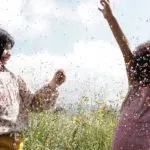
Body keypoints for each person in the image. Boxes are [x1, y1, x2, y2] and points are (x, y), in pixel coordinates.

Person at [0, 28, 66, 150]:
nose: (9, 54)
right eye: (5, 48)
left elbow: (33, 103)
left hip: (14, 141)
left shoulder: (14, 78)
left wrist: (52, 85)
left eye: (10, 49)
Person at [98, 0, 150, 149]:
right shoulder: (135, 83)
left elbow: (124, 46)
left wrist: (110, 18)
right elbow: (125, 46)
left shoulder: (134, 84)